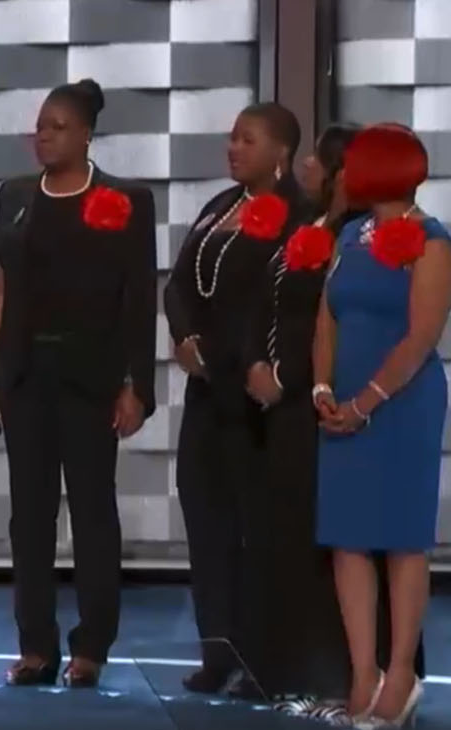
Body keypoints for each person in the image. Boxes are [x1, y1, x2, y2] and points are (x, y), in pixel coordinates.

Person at [0, 79, 156, 688]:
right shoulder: (15, 197)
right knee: (31, 517)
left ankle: (92, 645)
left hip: (92, 379)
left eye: (58, 126)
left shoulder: (125, 199)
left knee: (94, 514)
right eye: (41, 125)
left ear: (87, 133)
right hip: (25, 378)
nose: (44, 135)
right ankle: (37, 647)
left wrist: (136, 385)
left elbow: (137, 300)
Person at [163, 102, 310, 697]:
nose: (233, 148)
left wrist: (254, 360)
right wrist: (183, 335)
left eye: (247, 140)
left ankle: (262, 657)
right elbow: (178, 283)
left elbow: (285, 304)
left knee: (256, 531)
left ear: (281, 152)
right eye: (232, 138)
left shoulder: (299, 217)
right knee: (206, 518)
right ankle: (216, 648)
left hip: (255, 399)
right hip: (206, 392)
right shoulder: (219, 208)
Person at [314, 123, 448, 728]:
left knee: (400, 537)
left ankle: (400, 673)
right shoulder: (348, 235)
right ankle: (361, 672)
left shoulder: (430, 238)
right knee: (348, 538)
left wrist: (366, 400)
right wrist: (323, 388)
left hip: (402, 403)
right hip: (342, 404)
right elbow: (328, 317)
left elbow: (422, 335)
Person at [240, 123, 359, 713]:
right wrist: (256, 363)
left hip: (312, 402)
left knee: (326, 541)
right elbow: (274, 304)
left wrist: (288, 375)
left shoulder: (353, 239)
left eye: (319, 159)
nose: (308, 166)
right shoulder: (306, 227)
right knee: (288, 538)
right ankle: (300, 671)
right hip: (280, 408)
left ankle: (340, 676)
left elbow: (323, 317)